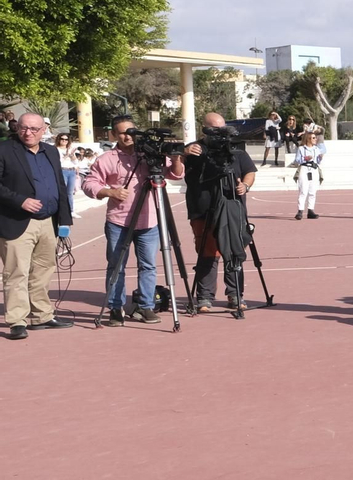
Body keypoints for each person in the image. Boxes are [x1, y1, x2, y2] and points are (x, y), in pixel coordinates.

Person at [83, 116, 186, 326]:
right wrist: (109, 191)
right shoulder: (106, 159)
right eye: (121, 132)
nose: (127, 136)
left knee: (148, 266)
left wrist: (175, 158)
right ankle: (115, 308)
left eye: (130, 131)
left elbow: (175, 175)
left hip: (149, 221)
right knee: (116, 266)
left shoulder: (149, 153)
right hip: (118, 221)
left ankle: (145, 306)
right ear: (114, 134)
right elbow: (89, 184)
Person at [0, 113, 75, 339]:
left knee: (44, 269)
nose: (28, 133)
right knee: (17, 272)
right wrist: (20, 200)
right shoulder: (4, 150)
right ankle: (17, 321)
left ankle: (41, 315)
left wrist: (65, 219)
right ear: (17, 128)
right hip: (16, 222)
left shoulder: (50, 151)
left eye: (34, 129)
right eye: (24, 128)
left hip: (48, 222)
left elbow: (60, 186)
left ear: (44, 130)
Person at [183, 113, 258, 314]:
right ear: (204, 129)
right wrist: (183, 153)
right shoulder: (194, 150)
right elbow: (176, 170)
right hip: (203, 210)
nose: (220, 134)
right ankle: (205, 297)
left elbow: (249, 170)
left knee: (234, 252)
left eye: (222, 128)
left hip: (233, 208)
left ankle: (235, 295)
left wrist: (246, 185)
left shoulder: (235, 149)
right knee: (207, 253)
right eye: (214, 130)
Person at [292, 129, 326, 221]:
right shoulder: (301, 149)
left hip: (314, 169)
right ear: (308, 139)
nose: (315, 139)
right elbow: (297, 160)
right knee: (303, 190)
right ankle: (300, 211)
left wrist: (320, 158)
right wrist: (305, 159)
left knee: (313, 191)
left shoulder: (316, 149)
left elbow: (318, 161)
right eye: (313, 138)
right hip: (304, 168)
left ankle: (311, 210)